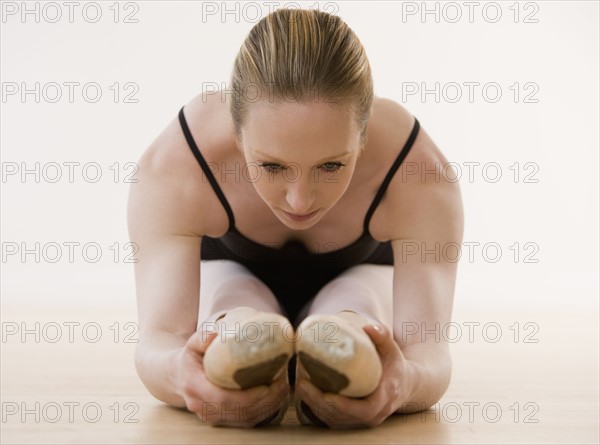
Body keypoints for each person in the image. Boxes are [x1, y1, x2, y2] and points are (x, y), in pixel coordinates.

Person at [127, 8, 464, 429]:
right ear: (236, 133)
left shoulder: (417, 173)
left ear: (363, 134)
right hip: (231, 272)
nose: (299, 200)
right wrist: (182, 373)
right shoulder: (177, 165)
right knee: (233, 298)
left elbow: (428, 356)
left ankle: (349, 334)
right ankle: (242, 332)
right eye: (271, 166)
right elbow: (159, 342)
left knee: (356, 302)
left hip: (361, 275)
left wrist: (403, 383)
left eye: (331, 166)